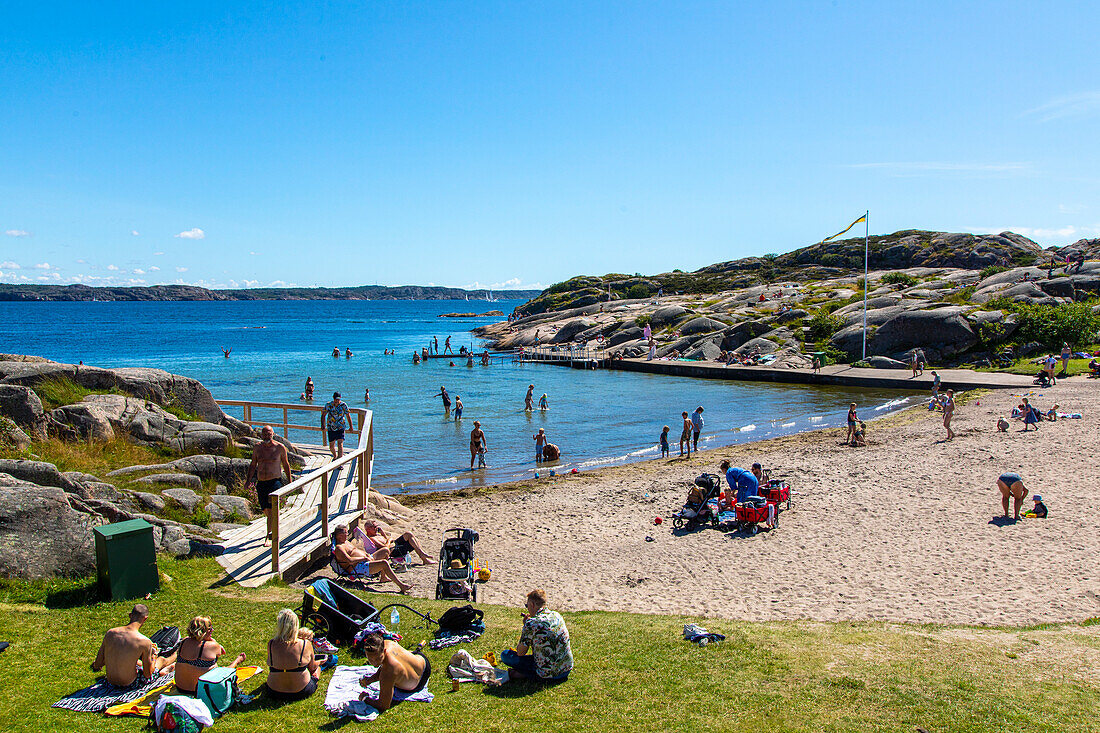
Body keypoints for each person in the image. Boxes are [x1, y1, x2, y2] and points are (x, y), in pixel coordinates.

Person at [92, 604, 177, 687]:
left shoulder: (110, 633)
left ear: (130, 615)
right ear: (145, 619)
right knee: (161, 660)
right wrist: (154, 656)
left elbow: (98, 664)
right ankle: (177, 653)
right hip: (129, 684)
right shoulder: (144, 641)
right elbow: (148, 674)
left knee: (134, 661)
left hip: (110, 683)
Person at [501, 589, 573, 683]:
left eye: (527, 606)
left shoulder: (531, 623)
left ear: (532, 605)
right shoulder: (557, 615)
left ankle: (523, 674)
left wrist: (526, 626)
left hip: (547, 675)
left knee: (506, 655)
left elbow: (520, 652)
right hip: (565, 669)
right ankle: (521, 674)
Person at [357, 632, 430, 711]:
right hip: (422, 660)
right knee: (396, 660)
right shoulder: (387, 643)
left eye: (378, 658)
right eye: (370, 659)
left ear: (384, 651)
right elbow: (383, 665)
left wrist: (365, 698)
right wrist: (370, 679)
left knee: (391, 668)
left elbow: (383, 705)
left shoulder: (388, 672)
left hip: (418, 683)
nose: (374, 663)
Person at [174, 616, 246, 694]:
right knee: (225, 671)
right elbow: (222, 653)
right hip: (203, 692)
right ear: (203, 631)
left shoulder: (184, 641)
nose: (212, 630)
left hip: (181, 688)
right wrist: (213, 641)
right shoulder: (213, 646)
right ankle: (237, 661)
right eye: (210, 628)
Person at [247, 425, 292, 547]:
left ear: (273, 434)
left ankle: (269, 536)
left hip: (275, 482)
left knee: (272, 509)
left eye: (269, 433)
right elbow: (253, 465)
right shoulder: (257, 448)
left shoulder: (279, 447)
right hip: (261, 482)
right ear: (261, 435)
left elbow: (286, 464)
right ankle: (273, 528)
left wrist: (290, 481)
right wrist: (248, 481)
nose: (267, 436)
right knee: (266, 510)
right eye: (265, 434)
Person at [332, 526, 413, 592]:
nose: (347, 535)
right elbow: (349, 561)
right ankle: (401, 586)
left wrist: (366, 556)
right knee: (384, 563)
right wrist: (364, 558)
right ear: (339, 536)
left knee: (385, 550)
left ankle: (383, 577)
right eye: (345, 533)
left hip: (366, 559)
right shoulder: (339, 548)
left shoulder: (346, 542)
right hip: (358, 567)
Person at [266, 609, 321, 700]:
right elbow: (312, 667)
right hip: (301, 690)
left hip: (274, 691)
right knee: (317, 669)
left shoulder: (271, 644)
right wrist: (319, 663)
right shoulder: (305, 644)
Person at [354, 520, 432, 565]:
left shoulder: (377, 535)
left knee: (409, 535)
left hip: (394, 545)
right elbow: (385, 548)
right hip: (394, 551)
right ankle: (424, 558)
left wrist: (383, 534)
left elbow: (386, 540)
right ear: (368, 529)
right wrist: (390, 539)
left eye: (377, 526)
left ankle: (423, 556)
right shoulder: (372, 539)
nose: (377, 528)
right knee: (413, 540)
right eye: (375, 527)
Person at [322, 392, 352, 459]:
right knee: (331, 446)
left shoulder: (343, 405)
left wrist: (351, 426)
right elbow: (323, 415)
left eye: (338, 399)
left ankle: (339, 461)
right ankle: (335, 456)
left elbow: (348, 415)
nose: (337, 401)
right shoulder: (329, 405)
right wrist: (323, 425)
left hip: (340, 427)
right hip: (331, 427)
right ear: (333, 398)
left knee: (340, 443)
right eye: (336, 399)